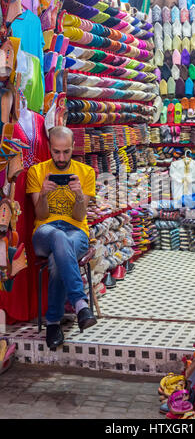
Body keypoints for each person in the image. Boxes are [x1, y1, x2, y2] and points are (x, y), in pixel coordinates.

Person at [26, 126, 97, 349]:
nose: (61, 158)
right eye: (56, 152)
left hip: (76, 231)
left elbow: (79, 215)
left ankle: (53, 323)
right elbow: (41, 215)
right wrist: (44, 194)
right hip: (45, 231)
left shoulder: (86, 173)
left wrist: (78, 196)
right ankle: (80, 303)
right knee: (56, 235)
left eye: (66, 152)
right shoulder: (37, 172)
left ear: (73, 147)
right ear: (49, 147)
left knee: (58, 259)